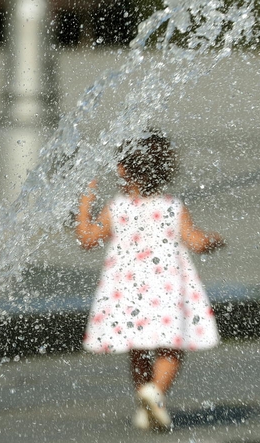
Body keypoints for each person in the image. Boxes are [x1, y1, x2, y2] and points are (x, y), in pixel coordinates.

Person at [76, 129, 224, 432]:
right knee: (171, 348)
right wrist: (213, 240)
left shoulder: (116, 208)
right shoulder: (172, 207)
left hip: (126, 292)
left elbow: (87, 238)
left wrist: (85, 200)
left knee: (138, 348)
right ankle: (155, 393)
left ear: (122, 169)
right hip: (167, 291)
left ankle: (146, 400)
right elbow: (196, 242)